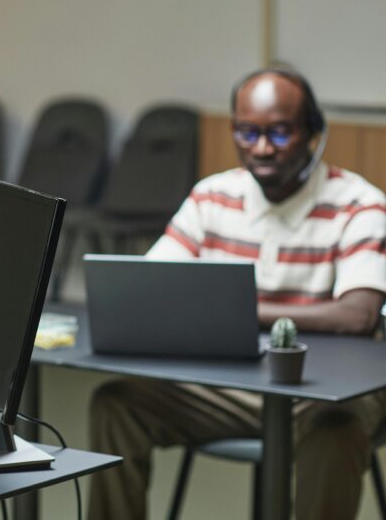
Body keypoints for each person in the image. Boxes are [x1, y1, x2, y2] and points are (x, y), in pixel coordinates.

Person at [88, 68, 386, 520]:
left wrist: (238, 309)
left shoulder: (360, 205)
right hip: (228, 388)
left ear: (313, 133)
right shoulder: (212, 197)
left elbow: (357, 315)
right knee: (116, 403)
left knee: (336, 427)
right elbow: (150, 287)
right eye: (247, 132)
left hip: (323, 393)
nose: (262, 148)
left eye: (280, 133)